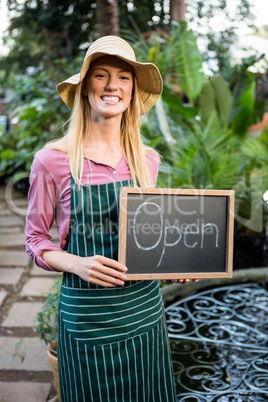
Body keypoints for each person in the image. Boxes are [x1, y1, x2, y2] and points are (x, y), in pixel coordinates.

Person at [25, 35, 196, 402]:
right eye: (101, 75)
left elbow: (147, 235)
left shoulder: (147, 160)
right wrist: (77, 264)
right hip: (87, 319)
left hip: (144, 315)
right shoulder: (51, 160)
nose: (112, 85)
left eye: (123, 77)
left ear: (132, 91)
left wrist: (174, 263)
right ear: (86, 87)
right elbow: (36, 240)